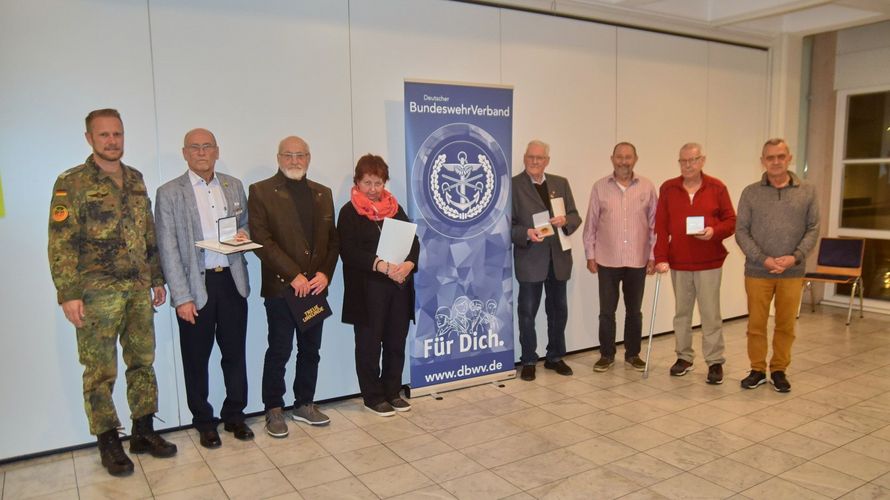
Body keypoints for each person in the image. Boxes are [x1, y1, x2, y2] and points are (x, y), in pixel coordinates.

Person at [48, 109, 176, 477]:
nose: (112, 141)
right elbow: (61, 243)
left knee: (142, 363)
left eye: (117, 134)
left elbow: (149, 233)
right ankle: (108, 441)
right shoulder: (71, 183)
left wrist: (156, 278)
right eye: (103, 135)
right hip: (95, 293)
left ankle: (143, 432)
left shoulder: (135, 179)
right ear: (89, 138)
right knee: (100, 371)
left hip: (137, 290)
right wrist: (68, 293)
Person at [155, 128, 254, 448]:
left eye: (207, 147)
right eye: (194, 148)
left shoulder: (233, 185)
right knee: (196, 358)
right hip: (196, 286)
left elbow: (247, 225)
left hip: (231, 281)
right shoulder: (169, 192)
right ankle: (203, 421)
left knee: (235, 354)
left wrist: (243, 235)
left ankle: (235, 415)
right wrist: (181, 297)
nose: (201, 152)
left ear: (216, 151)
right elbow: (167, 247)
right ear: (185, 153)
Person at [248, 136, 339, 437]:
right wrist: (293, 275)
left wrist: (325, 274)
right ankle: (274, 408)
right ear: (278, 157)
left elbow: (332, 241)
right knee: (279, 350)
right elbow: (262, 240)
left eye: (300, 155)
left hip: (314, 289)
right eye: (288, 155)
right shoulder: (260, 191)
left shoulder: (322, 194)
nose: (294, 160)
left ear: (309, 158)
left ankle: (305, 403)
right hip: (282, 289)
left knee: (310, 350)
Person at [337, 154, 420, 416]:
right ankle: (373, 397)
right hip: (367, 290)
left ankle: (392, 391)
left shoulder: (395, 208)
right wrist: (380, 265)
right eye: (367, 183)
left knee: (396, 341)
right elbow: (348, 251)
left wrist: (409, 264)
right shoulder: (348, 212)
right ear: (357, 182)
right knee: (369, 345)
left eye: (378, 183)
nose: (373, 189)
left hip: (398, 286)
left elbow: (413, 240)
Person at [736, 138, 819, 393]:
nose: (775, 162)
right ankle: (758, 369)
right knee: (756, 325)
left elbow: (813, 228)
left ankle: (780, 369)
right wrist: (763, 259)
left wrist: (795, 256)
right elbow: (741, 231)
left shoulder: (807, 190)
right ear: (763, 161)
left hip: (792, 271)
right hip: (758, 271)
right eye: (770, 157)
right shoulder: (751, 192)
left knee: (785, 324)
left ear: (789, 158)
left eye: (780, 156)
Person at [654, 143, 736, 385]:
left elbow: (731, 220)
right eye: (683, 161)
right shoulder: (668, 188)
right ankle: (684, 357)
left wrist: (715, 231)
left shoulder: (717, 187)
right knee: (682, 313)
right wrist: (661, 257)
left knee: (710, 314)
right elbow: (660, 225)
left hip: (709, 262)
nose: (688, 165)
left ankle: (714, 361)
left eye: (693, 160)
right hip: (679, 262)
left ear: (702, 160)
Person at [511, 140, 582, 381]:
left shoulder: (560, 183)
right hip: (530, 259)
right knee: (527, 313)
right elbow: (506, 225)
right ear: (524, 158)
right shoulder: (513, 185)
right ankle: (529, 359)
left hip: (558, 258)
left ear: (547, 161)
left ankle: (555, 357)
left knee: (558, 310)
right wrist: (526, 234)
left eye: (539, 158)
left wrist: (566, 221)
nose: (534, 161)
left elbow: (575, 216)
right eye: (530, 157)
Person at [583, 142, 657, 373]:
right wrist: (590, 254)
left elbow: (655, 224)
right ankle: (606, 354)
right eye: (619, 157)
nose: (624, 161)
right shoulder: (599, 187)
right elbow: (591, 224)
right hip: (607, 259)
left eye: (628, 157)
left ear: (635, 159)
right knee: (607, 311)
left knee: (634, 311)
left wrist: (654, 255)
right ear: (612, 158)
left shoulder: (647, 187)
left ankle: (633, 354)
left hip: (638, 259)